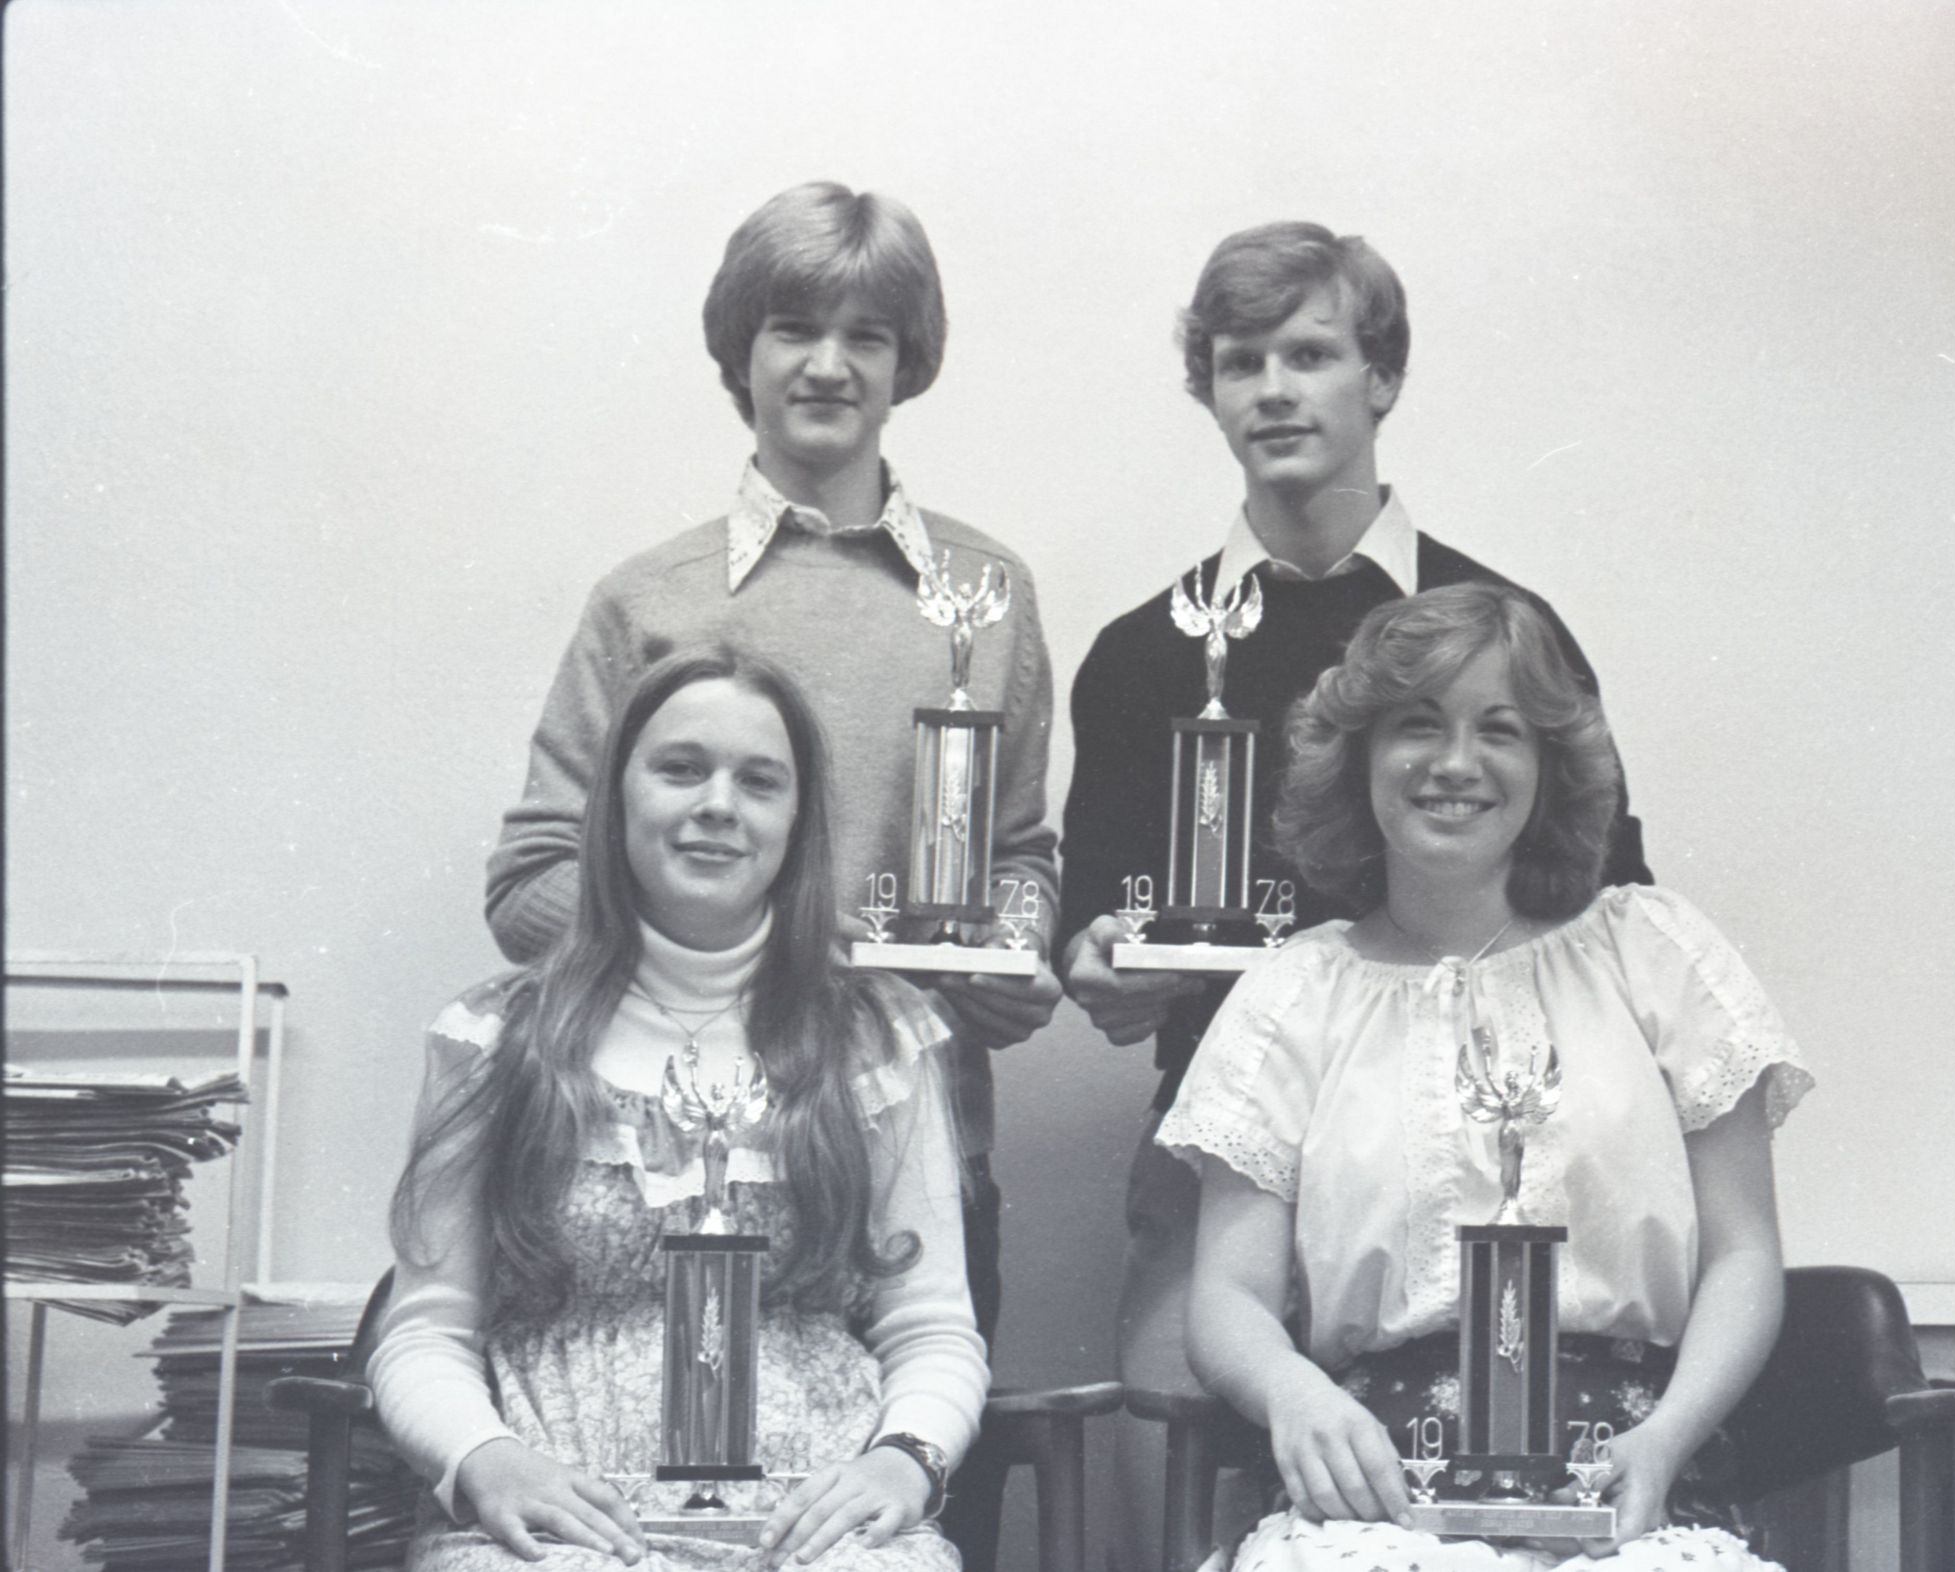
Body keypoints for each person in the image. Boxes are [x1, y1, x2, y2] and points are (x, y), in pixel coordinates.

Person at [1051, 221, 1652, 1567]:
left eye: (1310, 355)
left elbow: (1603, 900)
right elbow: (1089, 913)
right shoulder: (1143, 655)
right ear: (1208, 392)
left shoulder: (1505, 627)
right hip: (1224, 1164)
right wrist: (1096, 962)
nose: (1273, 390)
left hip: (1483, 1174)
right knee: (1171, 1492)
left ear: (1379, 377)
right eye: (1239, 362)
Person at [481, 183, 1057, 1568]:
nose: (828, 365)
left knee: (886, 1527)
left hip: (908, 1165)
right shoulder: (649, 600)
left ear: (909, 363)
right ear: (738, 351)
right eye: (793, 328)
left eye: (868, 335)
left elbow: (1020, 858)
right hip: (652, 1183)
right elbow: (529, 883)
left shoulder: (987, 596)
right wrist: (764, 967)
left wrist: (1010, 949)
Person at [1156, 584, 1812, 1571]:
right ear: (1360, 755)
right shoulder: (1293, 995)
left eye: (1498, 730)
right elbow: (1226, 1295)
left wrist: (1667, 1438)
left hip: (1631, 1488)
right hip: (1375, 1503)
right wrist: (1292, 1397)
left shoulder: (1651, 954)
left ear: (1548, 765)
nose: (1456, 763)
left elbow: (1743, 1256)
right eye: (1418, 725)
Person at [373, 647, 986, 1570]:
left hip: (816, 1526)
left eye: (759, 781)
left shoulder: (878, 1041)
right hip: (563, 1525)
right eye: (681, 768)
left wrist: (906, 1461)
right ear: (617, 797)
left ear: (797, 820)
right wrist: (485, 1461)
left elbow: (931, 1326)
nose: (718, 805)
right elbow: (425, 1329)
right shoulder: (496, 1039)